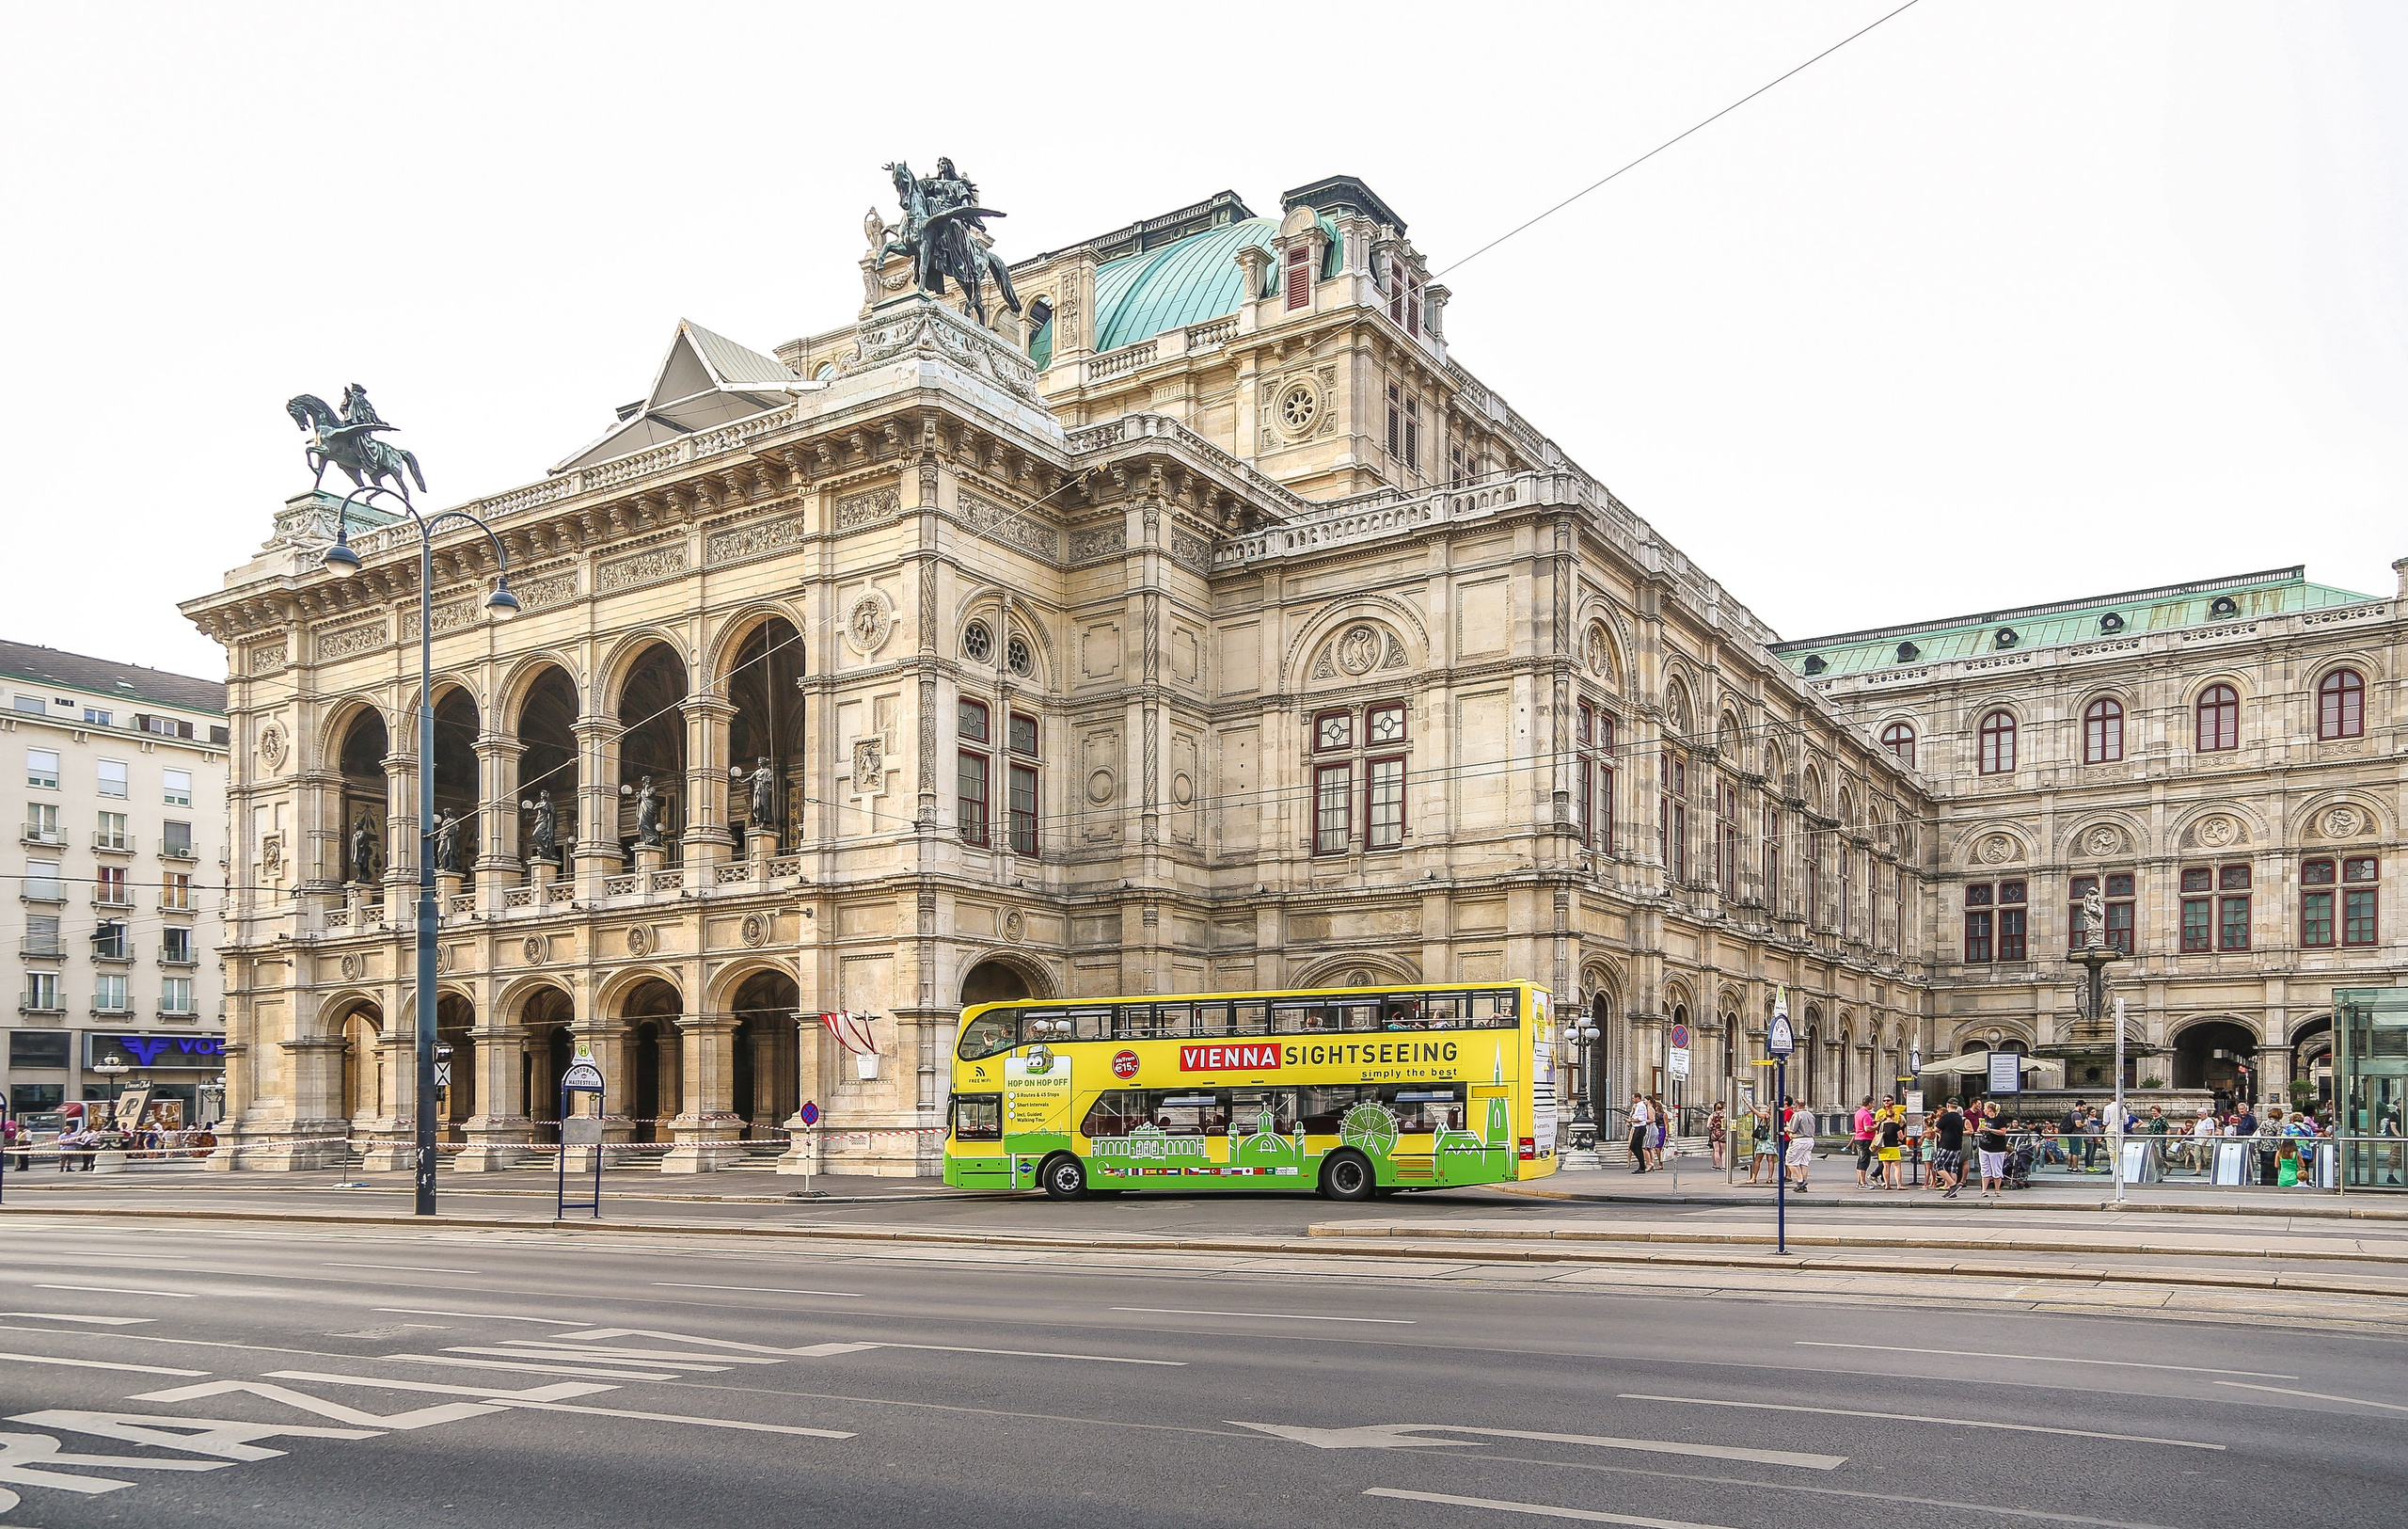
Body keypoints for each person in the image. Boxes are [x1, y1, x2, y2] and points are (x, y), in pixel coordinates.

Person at [1929, 1097, 1967, 1198]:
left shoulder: (1946, 1117)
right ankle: (1952, 1192)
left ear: (1948, 1105)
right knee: (1952, 1168)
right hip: (1957, 1144)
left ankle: (1953, 1185)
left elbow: (1936, 1129)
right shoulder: (1959, 1117)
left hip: (1946, 1144)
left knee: (1938, 1166)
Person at [1976, 1102, 2011, 1202]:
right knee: (1985, 1168)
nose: (1984, 1110)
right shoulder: (1985, 1119)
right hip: (1984, 1146)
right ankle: (1984, 1190)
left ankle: (1997, 1190)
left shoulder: (1999, 1119)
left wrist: (1990, 1130)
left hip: (1996, 1148)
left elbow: (2003, 1132)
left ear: (1990, 1109)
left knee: (1996, 1169)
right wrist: (1980, 1129)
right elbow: (1979, 1130)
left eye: (1985, 1108)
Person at [1783, 1099, 1814, 1192]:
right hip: (1810, 1140)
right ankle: (1803, 1184)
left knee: (1790, 1161)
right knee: (1804, 1162)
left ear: (1796, 1105)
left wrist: (1786, 1129)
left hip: (1799, 1140)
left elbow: (1793, 1129)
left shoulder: (1797, 1115)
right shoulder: (1810, 1115)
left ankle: (1800, 1181)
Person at [1877, 1100, 1906, 1189]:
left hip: (1883, 1147)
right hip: (1893, 1147)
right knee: (1897, 1167)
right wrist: (1904, 1134)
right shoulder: (1896, 1125)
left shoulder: (1881, 1125)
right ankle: (1899, 1185)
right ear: (1893, 1116)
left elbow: (1877, 1135)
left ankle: (1887, 1185)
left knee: (1886, 1167)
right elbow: (1901, 1137)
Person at [1750, 1104, 1781, 1186]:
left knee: (1758, 1160)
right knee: (1770, 1160)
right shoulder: (1776, 1118)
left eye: (1768, 1108)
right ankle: (1770, 1178)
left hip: (1763, 1140)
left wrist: (1748, 1104)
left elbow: (1755, 1112)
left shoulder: (1765, 1117)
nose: (1766, 1110)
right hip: (1771, 1140)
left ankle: (1754, 1177)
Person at [1851, 1096, 1877, 1188]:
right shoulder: (1866, 1114)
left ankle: (1859, 1181)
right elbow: (1867, 1128)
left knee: (1860, 1159)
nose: (1873, 1105)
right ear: (1869, 1103)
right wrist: (1876, 1127)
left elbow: (1861, 1124)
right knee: (1865, 1160)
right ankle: (1863, 1182)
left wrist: (1873, 1121)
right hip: (1865, 1138)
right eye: (1873, 1103)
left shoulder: (1858, 1112)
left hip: (1858, 1138)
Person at [1626, 1092, 1652, 1174]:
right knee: (1633, 1146)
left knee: (1636, 1146)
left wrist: (1631, 1120)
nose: (1632, 1100)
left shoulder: (1641, 1106)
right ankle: (1641, 1165)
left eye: (1633, 1098)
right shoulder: (1637, 1106)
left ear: (1638, 1098)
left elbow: (1640, 1119)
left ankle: (1642, 1166)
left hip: (1640, 1128)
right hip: (1637, 1127)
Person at [1707, 1102, 1728, 1171]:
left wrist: (1712, 1129)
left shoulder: (1712, 1115)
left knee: (1716, 1150)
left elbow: (1708, 1126)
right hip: (1723, 1133)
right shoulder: (1725, 1115)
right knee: (1724, 1151)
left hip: (1714, 1133)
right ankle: (1724, 1166)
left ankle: (1717, 1165)